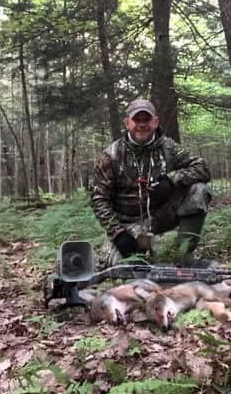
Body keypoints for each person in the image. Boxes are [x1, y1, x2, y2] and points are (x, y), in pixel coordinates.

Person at [91, 99, 214, 269]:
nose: (142, 125)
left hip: (160, 215)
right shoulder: (111, 155)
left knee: (199, 190)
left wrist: (171, 180)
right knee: (124, 267)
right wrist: (118, 234)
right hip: (127, 223)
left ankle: (184, 256)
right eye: (137, 120)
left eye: (146, 120)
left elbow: (202, 169)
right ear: (127, 123)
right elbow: (99, 200)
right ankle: (135, 251)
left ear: (155, 122)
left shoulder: (169, 147)